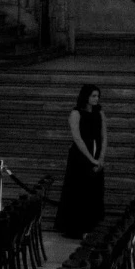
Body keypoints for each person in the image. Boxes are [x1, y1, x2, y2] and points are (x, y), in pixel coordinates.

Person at [54, 83, 107, 239]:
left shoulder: (99, 112)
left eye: (98, 96)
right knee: (79, 191)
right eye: (93, 96)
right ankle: (76, 228)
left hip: (96, 154)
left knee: (94, 192)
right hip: (80, 157)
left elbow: (104, 136)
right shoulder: (76, 113)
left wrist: (101, 158)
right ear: (86, 97)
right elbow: (77, 138)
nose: (96, 99)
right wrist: (91, 159)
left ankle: (91, 227)